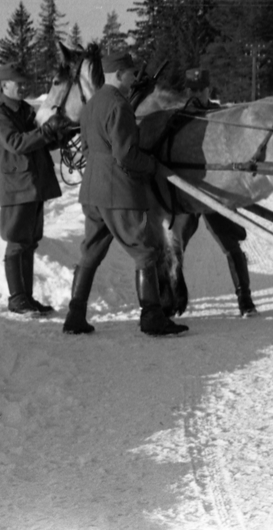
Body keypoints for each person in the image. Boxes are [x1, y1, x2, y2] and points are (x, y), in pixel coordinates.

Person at [62, 50, 188, 337]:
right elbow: (126, 155)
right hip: (118, 193)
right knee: (146, 251)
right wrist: (153, 165)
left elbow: (89, 146)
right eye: (131, 73)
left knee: (90, 253)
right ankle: (152, 317)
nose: (134, 77)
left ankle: (75, 316)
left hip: (92, 192)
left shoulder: (91, 104)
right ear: (119, 75)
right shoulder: (119, 105)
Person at [169, 68, 258, 317]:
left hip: (216, 190)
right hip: (187, 192)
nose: (197, 93)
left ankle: (245, 300)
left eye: (201, 89)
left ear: (209, 89)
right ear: (187, 90)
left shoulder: (222, 116)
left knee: (230, 244)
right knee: (175, 244)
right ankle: (175, 298)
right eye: (192, 89)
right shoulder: (177, 118)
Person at [0, 63, 71, 316]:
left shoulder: (26, 110)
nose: (24, 87)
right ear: (4, 86)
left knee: (30, 242)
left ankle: (27, 298)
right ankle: (17, 298)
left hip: (34, 184)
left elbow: (41, 142)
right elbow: (16, 143)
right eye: (18, 83)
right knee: (16, 241)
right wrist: (46, 132)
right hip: (16, 186)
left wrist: (59, 135)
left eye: (25, 83)